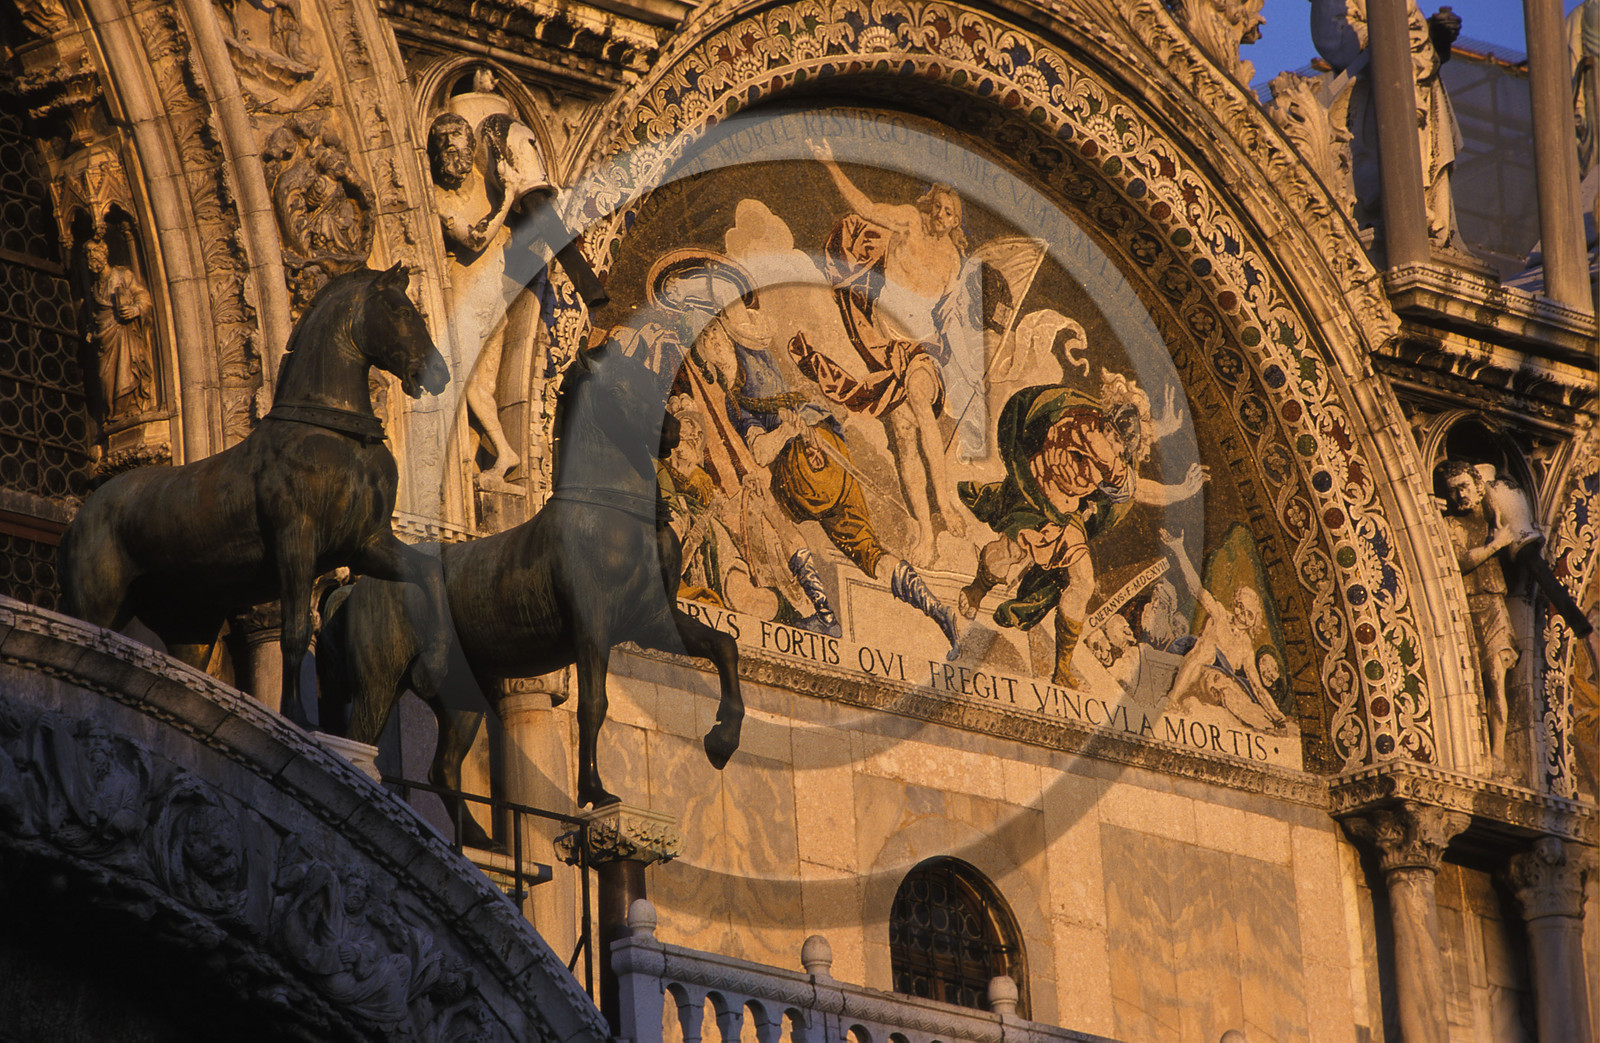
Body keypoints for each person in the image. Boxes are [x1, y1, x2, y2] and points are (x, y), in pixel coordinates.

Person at [958, 364, 1205, 684]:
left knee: (1084, 581)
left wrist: (1162, 433)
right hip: (1035, 499)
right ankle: (977, 589)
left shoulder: (1103, 435)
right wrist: (1179, 488)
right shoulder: (1091, 437)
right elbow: (1135, 487)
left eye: (1122, 447)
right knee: (1007, 555)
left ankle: (1062, 665)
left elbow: (1127, 464)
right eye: (1117, 441)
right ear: (1108, 427)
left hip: (1065, 518)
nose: (1117, 450)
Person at [800, 138, 973, 563]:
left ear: (956, 222)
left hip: (922, 346)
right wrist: (829, 162)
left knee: (919, 397)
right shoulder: (909, 222)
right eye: (938, 207)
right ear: (929, 205)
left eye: (949, 214)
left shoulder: (953, 259)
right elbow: (865, 207)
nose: (940, 217)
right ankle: (926, 533)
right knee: (904, 441)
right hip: (884, 345)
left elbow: (951, 315)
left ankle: (945, 500)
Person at [429, 110, 549, 493]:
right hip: (465, 294)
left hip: (489, 299)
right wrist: (509, 195)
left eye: (459, 142)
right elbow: (475, 238)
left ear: (471, 145)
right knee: (472, 386)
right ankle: (499, 455)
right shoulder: (437, 198)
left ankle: (473, 458)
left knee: (473, 384)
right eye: (444, 145)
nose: (452, 151)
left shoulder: (488, 182)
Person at [1158, 528, 1288, 732]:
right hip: (1195, 673)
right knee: (1207, 649)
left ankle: (1268, 726)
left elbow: (1257, 686)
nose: (1242, 615)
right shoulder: (1219, 615)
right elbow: (1195, 589)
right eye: (1240, 607)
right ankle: (1171, 698)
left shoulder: (1246, 647)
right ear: (1234, 604)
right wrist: (1179, 550)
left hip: (1216, 686)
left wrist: (1277, 715)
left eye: (1249, 614)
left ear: (1254, 622)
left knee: (1230, 692)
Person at [84, 238, 156, 421]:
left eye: (95, 251)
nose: (92, 256)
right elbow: (95, 315)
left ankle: (129, 406)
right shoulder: (94, 288)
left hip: (124, 335)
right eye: (88, 253)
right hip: (104, 339)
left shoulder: (122, 275)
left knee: (126, 371)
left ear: (104, 253)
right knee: (105, 379)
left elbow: (143, 297)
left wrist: (136, 309)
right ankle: (113, 414)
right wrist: (91, 330)